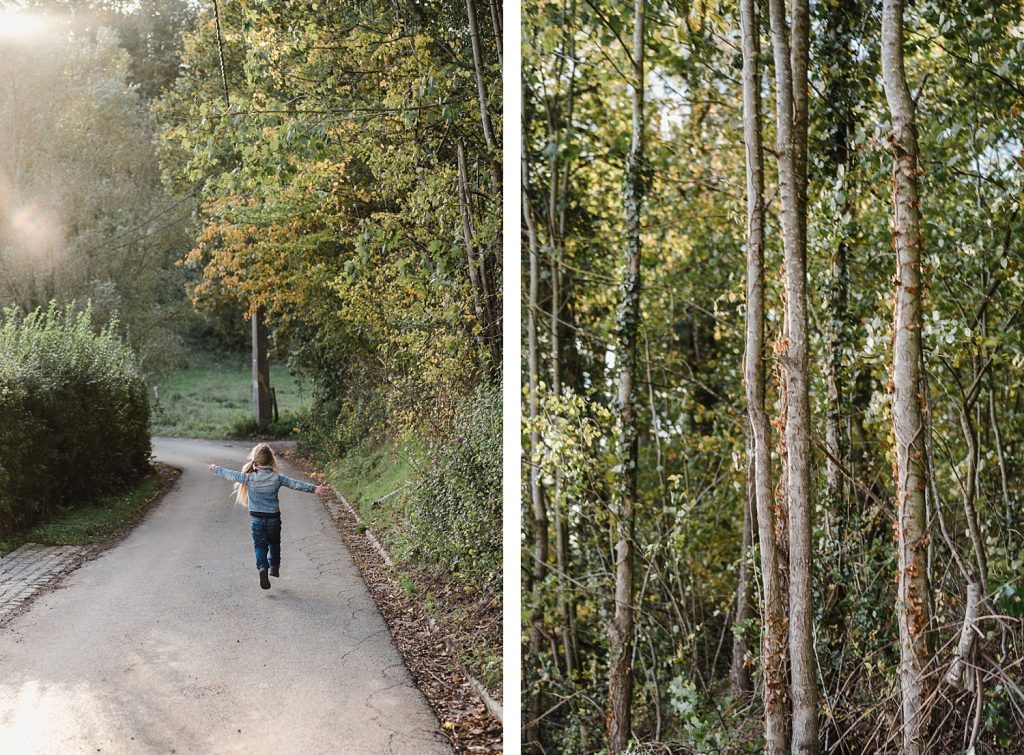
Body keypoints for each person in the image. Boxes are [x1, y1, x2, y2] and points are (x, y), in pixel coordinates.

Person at [208, 443, 329, 590]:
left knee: (260, 546)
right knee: (274, 543)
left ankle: (262, 568)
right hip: (273, 519)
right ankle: (274, 567)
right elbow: (295, 484)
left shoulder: (248, 477)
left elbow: (229, 474)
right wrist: (314, 488)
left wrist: (215, 468)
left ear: (255, 460)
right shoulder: (277, 478)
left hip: (257, 520)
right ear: (271, 460)